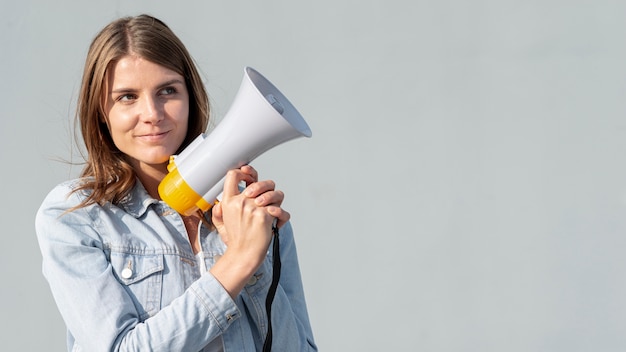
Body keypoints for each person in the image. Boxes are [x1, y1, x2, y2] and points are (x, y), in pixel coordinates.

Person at [35, 14, 316, 352]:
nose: (152, 113)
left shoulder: (253, 218)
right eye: (127, 97)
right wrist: (238, 262)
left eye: (167, 90)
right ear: (101, 111)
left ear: (189, 96)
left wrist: (257, 265)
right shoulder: (74, 217)